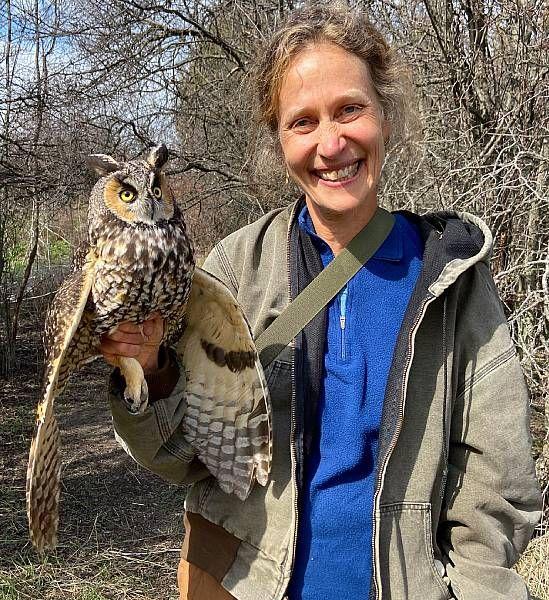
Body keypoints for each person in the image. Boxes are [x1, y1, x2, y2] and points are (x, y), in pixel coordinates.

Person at [100, 4, 542, 599]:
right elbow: (184, 457)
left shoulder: (454, 280)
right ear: (278, 139)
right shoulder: (234, 273)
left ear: (384, 115)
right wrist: (150, 372)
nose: (331, 143)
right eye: (302, 122)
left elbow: (496, 488)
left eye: (350, 110)